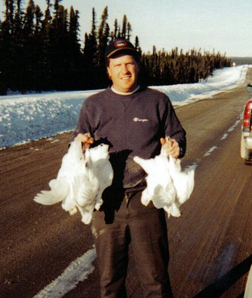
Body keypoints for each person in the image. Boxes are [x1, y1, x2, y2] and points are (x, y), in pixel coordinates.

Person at [72, 39, 186, 298]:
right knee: (110, 282)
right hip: (107, 203)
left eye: (130, 63)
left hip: (146, 199)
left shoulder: (157, 101)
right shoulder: (93, 105)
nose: (125, 70)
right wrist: (79, 147)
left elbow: (177, 135)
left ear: (137, 66)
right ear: (108, 70)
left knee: (155, 280)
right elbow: (75, 146)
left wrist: (175, 146)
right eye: (118, 65)